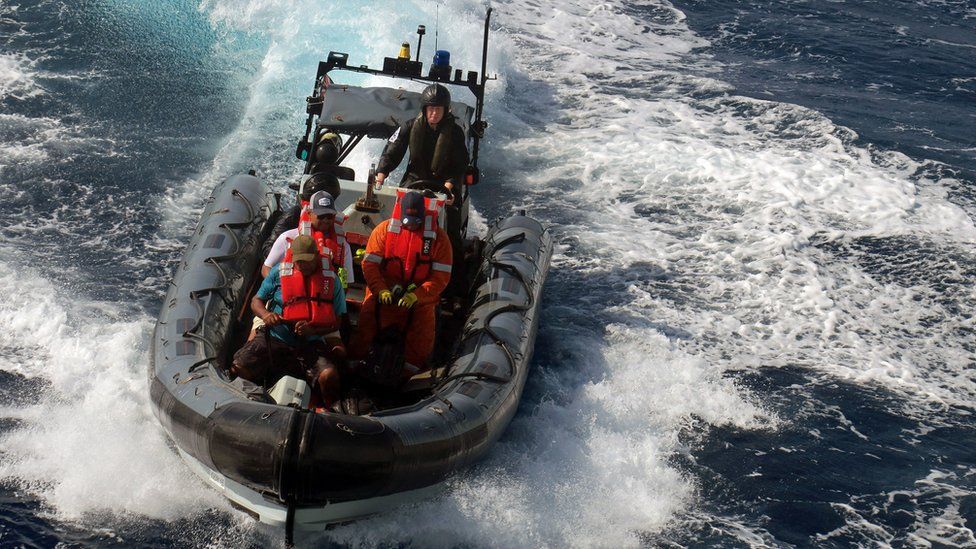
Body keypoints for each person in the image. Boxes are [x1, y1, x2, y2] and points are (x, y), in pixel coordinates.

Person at [231, 235, 347, 407]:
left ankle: (329, 409)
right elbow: (256, 301)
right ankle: (244, 403)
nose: (302, 265)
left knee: (329, 376)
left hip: (311, 343)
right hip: (277, 337)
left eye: (307, 261)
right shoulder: (279, 272)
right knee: (238, 366)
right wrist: (266, 315)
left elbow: (337, 321)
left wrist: (313, 331)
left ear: (316, 255)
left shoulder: (332, 281)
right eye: (299, 261)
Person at [350, 191, 452, 377]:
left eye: (416, 221)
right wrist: (381, 289)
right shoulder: (383, 231)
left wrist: (417, 295)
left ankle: (407, 380)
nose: (411, 225)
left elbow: (440, 277)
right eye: (407, 221)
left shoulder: (439, 239)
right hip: (384, 295)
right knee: (366, 325)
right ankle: (356, 370)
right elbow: (370, 265)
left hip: (419, 300)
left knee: (422, 341)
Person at [374, 83, 469, 202]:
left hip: (445, 182)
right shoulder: (409, 126)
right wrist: (380, 177)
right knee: (399, 203)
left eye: (438, 109)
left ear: (445, 110)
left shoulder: (456, 132)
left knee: (452, 212)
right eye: (431, 109)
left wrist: (447, 189)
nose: (434, 113)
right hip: (415, 179)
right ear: (425, 109)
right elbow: (392, 151)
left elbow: (459, 165)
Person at [263, 190, 354, 285]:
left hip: (325, 295)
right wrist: (279, 287)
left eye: (329, 216)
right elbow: (266, 268)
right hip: (290, 296)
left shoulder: (342, 245)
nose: (326, 220)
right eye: (321, 216)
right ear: (309, 214)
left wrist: (338, 295)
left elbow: (346, 281)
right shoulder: (288, 238)